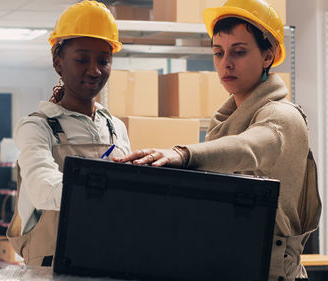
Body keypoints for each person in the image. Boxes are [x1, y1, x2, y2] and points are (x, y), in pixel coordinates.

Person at [113, 0, 321, 280]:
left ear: (268, 56)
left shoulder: (282, 117)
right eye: (218, 52)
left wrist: (183, 155)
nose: (226, 63)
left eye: (239, 52)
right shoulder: (223, 123)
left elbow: (248, 148)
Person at [6, 0, 131, 267]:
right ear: (58, 62)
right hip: (51, 270)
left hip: (109, 261)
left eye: (104, 60)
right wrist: (112, 192)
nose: (94, 70)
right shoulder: (37, 127)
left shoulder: (115, 128)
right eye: (82, 59)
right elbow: (43, 189)